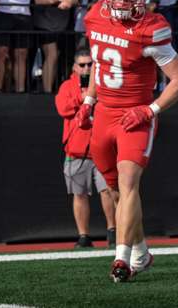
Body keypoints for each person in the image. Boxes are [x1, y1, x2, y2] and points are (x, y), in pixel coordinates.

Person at [77, 0, 178, 282]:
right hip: (104, 114)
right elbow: (99, 63)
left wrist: (150, 110)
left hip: (134, 115)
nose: (124, 1)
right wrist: (89, 99)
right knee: (115, 190)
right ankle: (140, 248)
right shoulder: (95, 17)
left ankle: (121, 259)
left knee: (128, 185)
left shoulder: (150, 29)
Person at [55, 49, 117, 248]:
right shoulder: (67, 86)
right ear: (74, 67)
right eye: (82, 65)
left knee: (109, 191)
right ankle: (83, 235)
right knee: (79, 194)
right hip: (76, 150)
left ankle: (113, 231)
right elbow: (63, 109)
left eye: (90, 64)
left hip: (102, 147)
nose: (86, 68)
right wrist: (83, 98)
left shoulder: (104, 83)